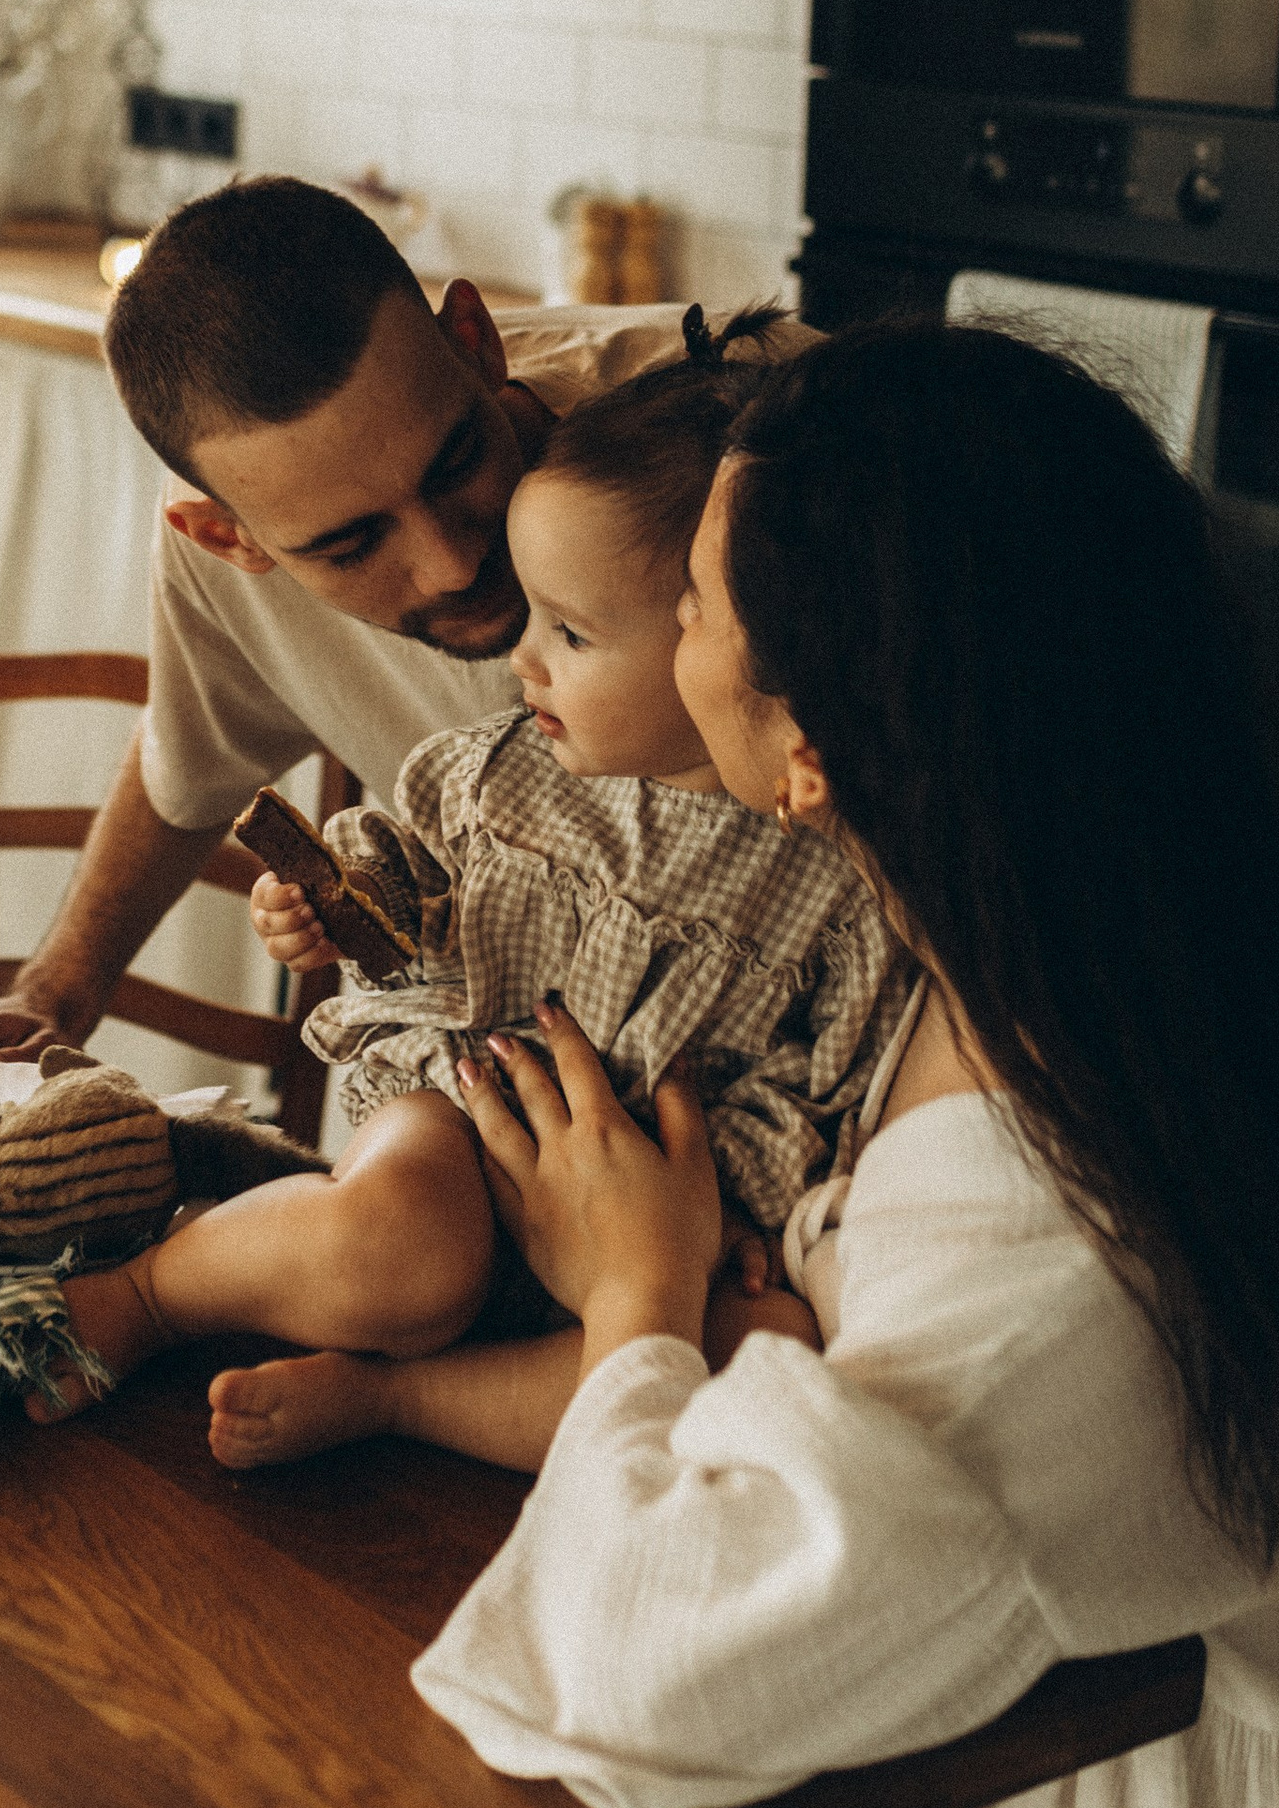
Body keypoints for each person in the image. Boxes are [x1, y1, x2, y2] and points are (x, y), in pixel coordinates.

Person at [263, 321, 1279, 1808]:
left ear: (809, 745)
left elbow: (644, 1661)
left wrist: (637, 1297)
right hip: (1059, 1737)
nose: (652, 639)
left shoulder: (1050, 1254)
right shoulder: (1135, 959)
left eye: (688, 603)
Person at [0, 177, 736, 1092]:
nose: (451, 566)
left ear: (475, 342)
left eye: (457, 461)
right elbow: (181, 771)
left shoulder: (737, 424)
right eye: (353, 545)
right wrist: (49, 1000)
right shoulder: (218, 569)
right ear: (231, 540)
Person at [189, 347, 906, 1472]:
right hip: (456, 1156)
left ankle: (400, 1399)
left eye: (569, 632)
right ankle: (151, 1289)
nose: (520, 655)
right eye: (534, 614)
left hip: (643, 1237)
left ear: (727, 638)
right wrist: (343, 905)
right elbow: (416, 899)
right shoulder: (499, 770)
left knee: (765, 1348)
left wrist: (713, 1213)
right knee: (395, 1237)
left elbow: (820, 1085)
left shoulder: (825, 871)